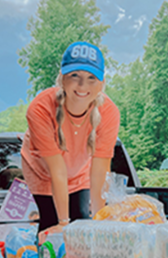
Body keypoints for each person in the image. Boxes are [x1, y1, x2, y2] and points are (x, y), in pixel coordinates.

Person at [20, 41, 120, 235]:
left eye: (92, 77)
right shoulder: (40, 108)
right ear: (62, 79)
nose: (83, 85)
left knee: (82, 218)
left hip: (79, 171)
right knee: (52, 221)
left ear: (102, 84)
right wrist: (63, 224)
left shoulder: (109, 112)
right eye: (75, 75)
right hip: (43, 172)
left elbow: (100, 170)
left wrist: (99, 223)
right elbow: (57, 169)